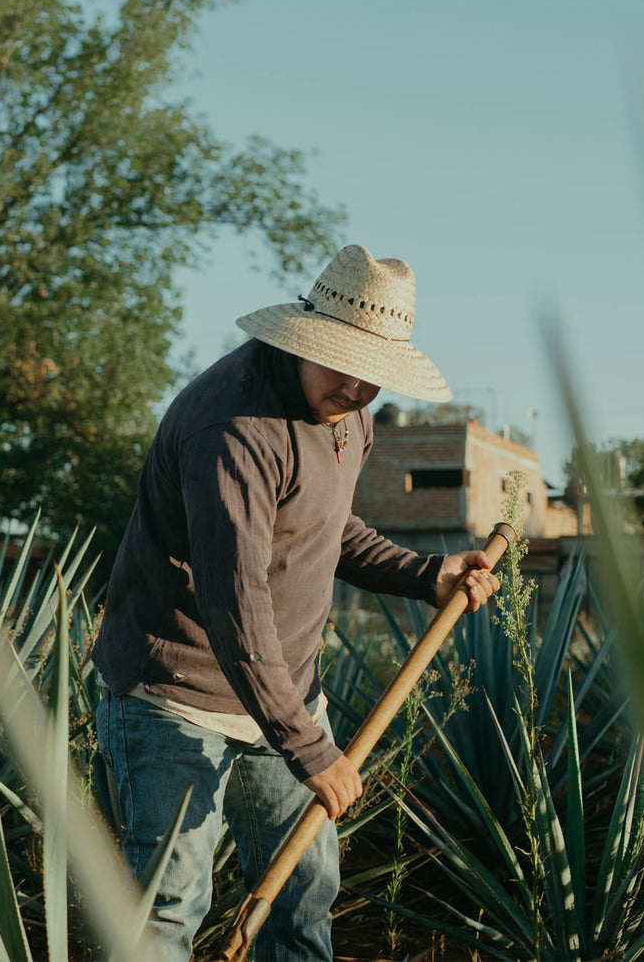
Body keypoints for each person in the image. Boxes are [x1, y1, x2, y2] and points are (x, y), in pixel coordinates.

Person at [91, 244, 503, 960]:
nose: (360, 390)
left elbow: (325, 527)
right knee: (169, 906)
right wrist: (310, 748)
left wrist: (424, 573)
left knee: (303, 900)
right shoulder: (233, 428)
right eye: (348, 366)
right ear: (306, 340)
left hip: (280, 693)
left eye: (376, 378)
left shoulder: (351, 411)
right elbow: (234, 596)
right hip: (175, 694)